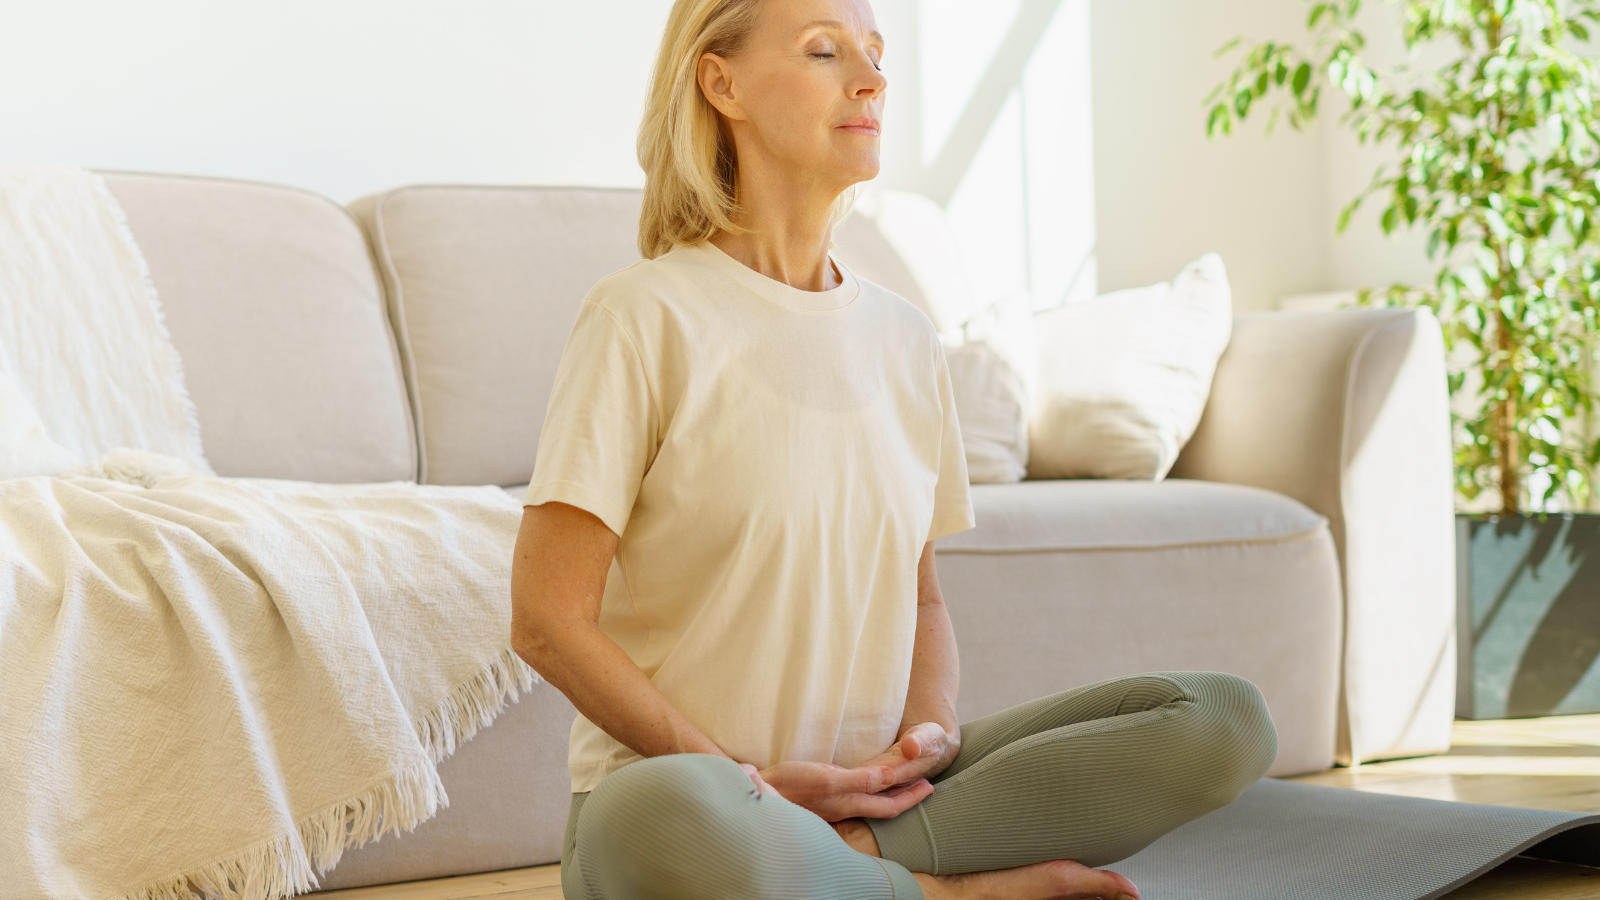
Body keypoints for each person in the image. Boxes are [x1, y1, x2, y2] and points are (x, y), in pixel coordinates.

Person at [509, 0, 1277, 897]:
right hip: (691, 807)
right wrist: (741, 779)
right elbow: (546, 620)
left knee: (1222, 719)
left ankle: (847, 872)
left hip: (875, 801)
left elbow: (921, 600)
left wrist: (930, 735)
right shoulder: (643, 316)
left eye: (876, 54)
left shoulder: (907, 339)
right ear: (722, 83)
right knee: (662, 815)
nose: (872, 80)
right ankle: (938, 889)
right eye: (825, 51)